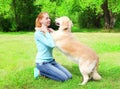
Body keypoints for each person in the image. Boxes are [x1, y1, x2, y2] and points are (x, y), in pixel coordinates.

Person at [34, 12, 72, 82]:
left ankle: (46, 71)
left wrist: (53, 32)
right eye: (47, 18)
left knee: (69, 76)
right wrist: (47, 32)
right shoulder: (38, 34)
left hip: (51, 61)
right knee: (64, 78)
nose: (49, 20)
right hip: (42, 63)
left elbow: (60, 40)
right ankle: (40, 72)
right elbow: (51, 44)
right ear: (40, 20)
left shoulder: (49, 31)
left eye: (49, 18)